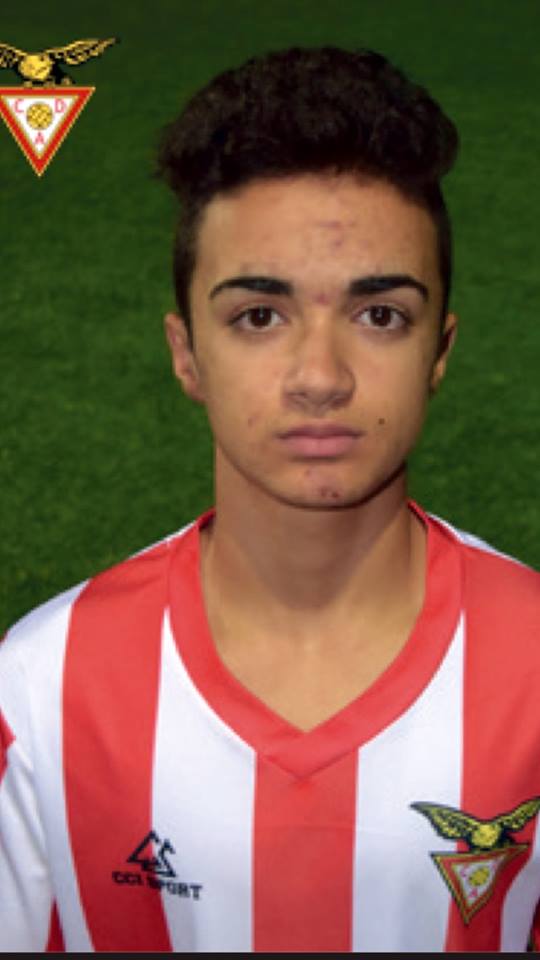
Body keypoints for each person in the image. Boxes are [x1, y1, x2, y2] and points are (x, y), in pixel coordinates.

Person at [0, 46, 538, 953]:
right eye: (259, 315)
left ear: (440, 350)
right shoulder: (39, 690)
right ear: (185, 353)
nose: (320, 377)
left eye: (379, 315)